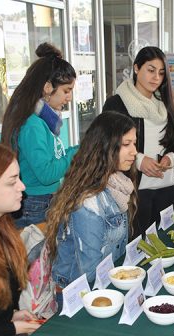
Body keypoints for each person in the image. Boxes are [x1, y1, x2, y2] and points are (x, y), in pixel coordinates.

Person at [46, 111, 137, 302]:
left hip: (104, 285)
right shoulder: (88, 201)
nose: (134, 151)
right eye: (126, 144)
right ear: (105, 147)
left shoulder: (118, 184)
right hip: (81, 294)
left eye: (134, 143)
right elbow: (88, 271)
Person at [103, 46, 174, 234]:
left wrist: (171, 158)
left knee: (164, 242)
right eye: (150, 70)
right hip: (134, 190)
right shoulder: (117, 104)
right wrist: (140, 160)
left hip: (168, 187)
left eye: (161, 73)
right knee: (136, 246)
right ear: (136, 68)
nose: (156, 78)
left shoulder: (169, 101)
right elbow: (107, 144)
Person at [0, 43, 78, 228]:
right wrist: (77, 154)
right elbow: (46, 174)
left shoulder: (44, 120)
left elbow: (53, 158)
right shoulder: (33, 124)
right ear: (48, 87)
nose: (69, 98)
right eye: (66, 91)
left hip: (41, 201)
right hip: (35, 205)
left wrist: (75, 151)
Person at [0, 142, 41, 336]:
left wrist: (11, 315)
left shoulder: (3, 229)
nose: (22, 187)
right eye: (12, 182)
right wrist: (11, 328)